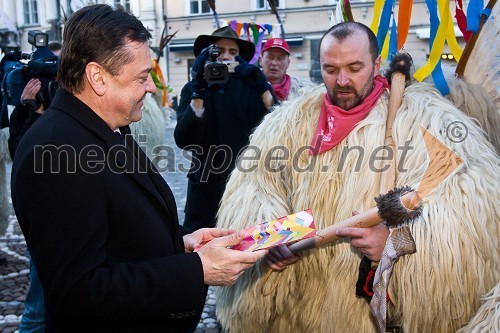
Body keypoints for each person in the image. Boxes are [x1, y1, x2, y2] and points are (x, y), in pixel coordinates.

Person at [214, 22, 499, 332]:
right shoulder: (288, 123)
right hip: (301, 310)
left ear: (376, 64)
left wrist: (395, 244)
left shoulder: (426, 119)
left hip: (366, 313)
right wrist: (272, 240)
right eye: (331, 69)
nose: (343, 81)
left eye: (354, 67)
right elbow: (256, 187)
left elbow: (468, 209)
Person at [11, 5, 268, 333]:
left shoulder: (106, 127)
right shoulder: (53, 152)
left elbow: (122, 233)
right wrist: (196, 270)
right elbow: (79, 294)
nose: (150, 88)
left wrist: (182, 244)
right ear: (98, 78)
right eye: (142, 77)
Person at [174, 26, 275, 232]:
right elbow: (184, 139)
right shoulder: (193, 89)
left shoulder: (250, 88)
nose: (226, 57)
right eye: (218, 51)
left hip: (244, 192)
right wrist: (198, 93)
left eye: (233, 52)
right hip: (204, 196)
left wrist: (262, 86)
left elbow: (275, 125)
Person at [8, 41, 61, 333]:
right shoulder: (24, 111)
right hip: (43, 220)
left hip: (76, 212)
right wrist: (33, 112)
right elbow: (21, 157)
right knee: (38, 308)